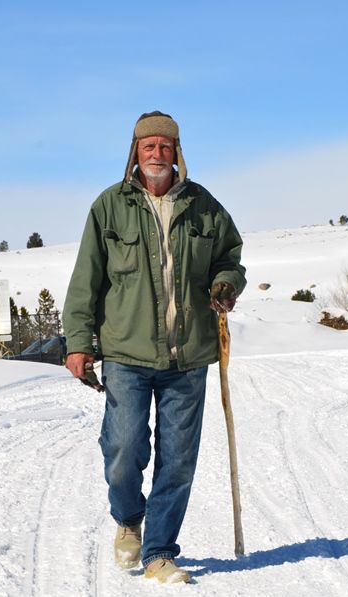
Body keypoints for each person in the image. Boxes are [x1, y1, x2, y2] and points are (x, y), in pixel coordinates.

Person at [63, 111, 246, 584]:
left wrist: (226, 281)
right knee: (123, 447)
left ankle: (159, 551)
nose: (158, 155)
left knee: (178, 459)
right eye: (150, 147)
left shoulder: (204, 206)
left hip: (190, 355)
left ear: (177, 153)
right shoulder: (110, 206)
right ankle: (128, 521)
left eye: (166, 147)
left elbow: (230, 255)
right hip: (126, 352)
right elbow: (86, 280)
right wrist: (79, 343)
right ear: (135, 152)